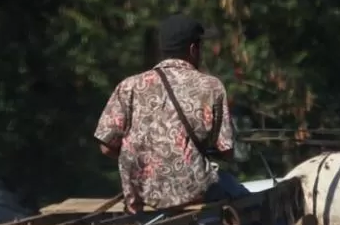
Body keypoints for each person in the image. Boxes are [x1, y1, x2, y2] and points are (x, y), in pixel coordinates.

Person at [93, 13, 249, 214]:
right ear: (193, 49)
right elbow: (227, 151)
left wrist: (144, 164)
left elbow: (106, 147)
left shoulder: (128, 86)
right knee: (250, 201)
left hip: (142, 196)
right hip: (194, 191)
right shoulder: (210, 86)